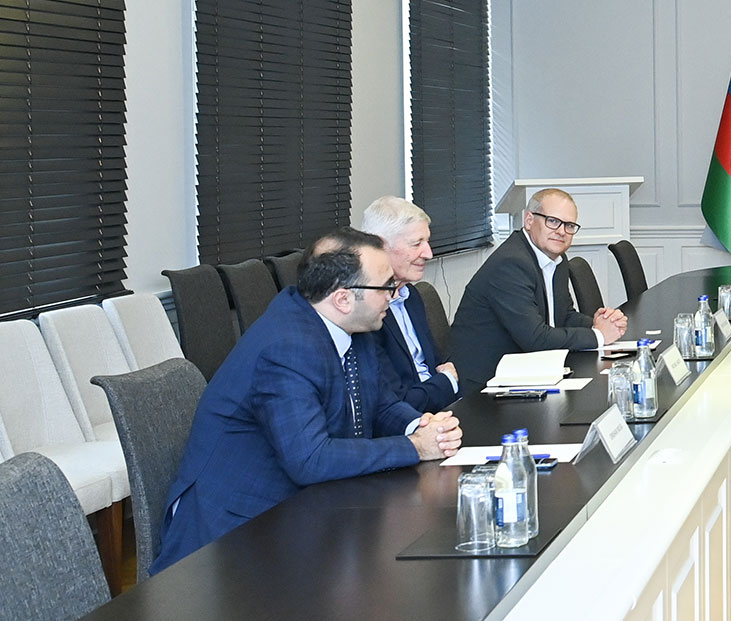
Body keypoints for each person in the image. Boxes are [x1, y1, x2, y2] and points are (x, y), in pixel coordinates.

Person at [152, 230, 464, 573]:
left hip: (306, 509)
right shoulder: (286, 347)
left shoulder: (350, 324)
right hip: (232, 537)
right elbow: (310, 458)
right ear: (343, 298)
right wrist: (415, 447)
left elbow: (379, 404)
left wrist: (422, 426)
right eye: (386, 286)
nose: (394, 294)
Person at [452, 188, 628, 390]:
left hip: (526, 371)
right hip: (485, 384)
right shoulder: (511, 264)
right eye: (552, 221)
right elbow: (535, 339)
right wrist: (599, 335)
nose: (561, 231)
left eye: (569, 225)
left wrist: (600, 323)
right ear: (529, 220)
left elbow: (564, 315)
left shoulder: (556, 259)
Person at [356, 196, 459, 412]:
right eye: (416, 243)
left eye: (427, 242)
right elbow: (398, 401)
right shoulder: (365, 312)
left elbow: (435, 367)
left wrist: (447, 381)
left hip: (441, 409)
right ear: (380, 246)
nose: (428, 253)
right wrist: (448, 381)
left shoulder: (411, 295)